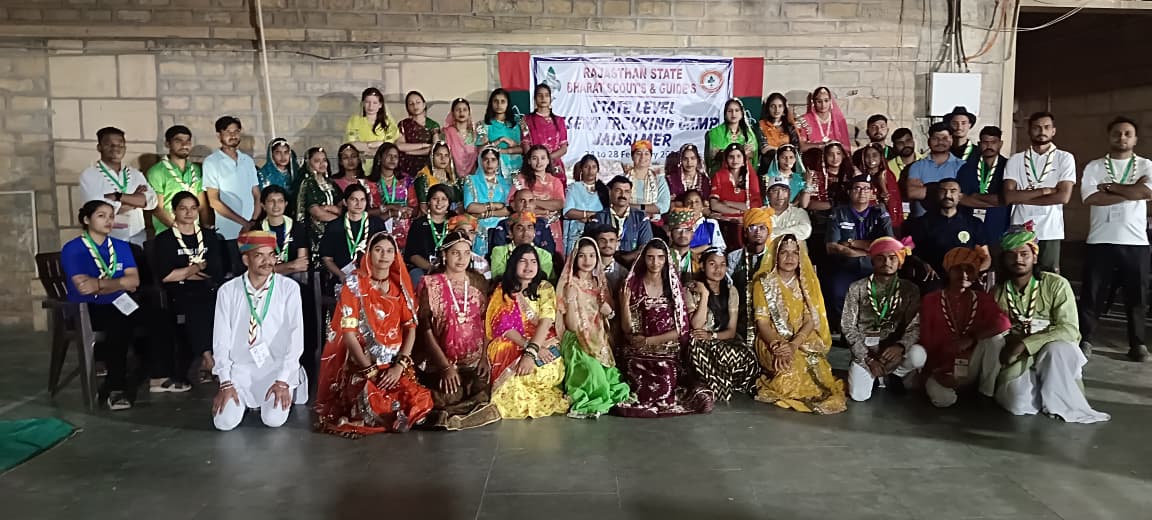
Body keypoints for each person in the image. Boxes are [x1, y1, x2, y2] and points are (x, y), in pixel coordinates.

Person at [314, 232, 434, 436]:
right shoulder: (354, 287)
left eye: (389, 251)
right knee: (372, 399)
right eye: (378, 250)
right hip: (363, 366)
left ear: (395, 256)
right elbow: (349, 335)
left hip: (394, 365)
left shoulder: (400, 288)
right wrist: (370, 371)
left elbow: (410, 328)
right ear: (368, 254)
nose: (384, 256)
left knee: (422, 399)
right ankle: (394, 416)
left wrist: (399, 366)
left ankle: (396, 415)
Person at [992, 225, 1110, 423]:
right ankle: (1044, 392)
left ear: (1035, 257)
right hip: (1021, 359)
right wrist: (1013, 342)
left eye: (1024, 254)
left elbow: (1069, 329)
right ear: (1004, 260)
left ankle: (1059, 399)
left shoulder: (1056, 284)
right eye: (1011, 255)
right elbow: (999, 329)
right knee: (1017, 405)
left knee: (1056, 349)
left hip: (1055, 356)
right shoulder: (999, 292)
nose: (1018, 259)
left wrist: (1026, 343)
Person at [211, 231, 308, 431]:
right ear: (246, 260)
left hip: (277, 368)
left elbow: (296, 336)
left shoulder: (288, 288)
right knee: (224, 422)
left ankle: (295, 380)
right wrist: (225, 382)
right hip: (240, 370)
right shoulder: (228, 291)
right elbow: (220, 340)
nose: (268, 261)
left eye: (271, 255)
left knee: (273, 420)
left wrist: (283, 380)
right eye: (259, 256)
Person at [1078, 116, 1152, 361]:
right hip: (1100, 240)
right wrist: (1132, 191)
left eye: (1127, 134)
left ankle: (1137, 344)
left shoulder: (1146, 165)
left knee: (1137, 297)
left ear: (1135, 139)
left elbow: (1147, 192)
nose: (1122, 138)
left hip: (1136, 242)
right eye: (1117, 133)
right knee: (1093, 294)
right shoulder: (1095, 166)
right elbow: (1091, 198)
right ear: (1109, 137)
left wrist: (1110, 187)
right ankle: (1086, 339)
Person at [615, 239, 715, 417]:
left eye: (660, 257)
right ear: (643, 259)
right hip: (638, 350)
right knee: (639, 382)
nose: (655, 262)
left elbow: (681, 329)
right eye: (650, 257)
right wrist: (623, 303)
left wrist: (649, 341)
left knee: (664, 383)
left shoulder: (673, 287)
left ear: (666, 259)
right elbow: (628, 328)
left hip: (667, 350)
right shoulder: (633, 285)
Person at [751, 234, 846, 414]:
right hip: (771, 340)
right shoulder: (763, 283)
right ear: (775, 255)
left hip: (802, 340)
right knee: (787, 374)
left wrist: (794, 345)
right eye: (784, 252)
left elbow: (810, 320)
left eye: (795, 253)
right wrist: (778, 346)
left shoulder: (806, 282)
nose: (790, 257)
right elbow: (762, 323)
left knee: (820, 373)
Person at [416, 231, 502, 430]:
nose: (462, 259)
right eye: (455, 253)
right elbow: (426, 329)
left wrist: (484, 358)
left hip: (473, 361)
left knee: (483, 391)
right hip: (441, 363)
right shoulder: (430, 284)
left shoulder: (478, 281)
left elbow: (486, 321)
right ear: (444, 255)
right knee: (448, 397)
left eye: (466, 253)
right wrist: (445, 367)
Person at [61, 201, 143, 410]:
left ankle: (160, 377)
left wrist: (99, 284)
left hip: (119, 302)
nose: (108, 220)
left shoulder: (120, 246)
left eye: (111, 216)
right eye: (101, 216)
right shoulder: (74, 249)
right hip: (87, 308)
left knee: (158, 318)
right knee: (118, 323)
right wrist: (118, 284)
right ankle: (116, 388)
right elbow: (84, 287)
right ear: (86, 220)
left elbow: (134, 281)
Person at [917, 247, 1011, 407]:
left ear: (976, 273)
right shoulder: (931, 300)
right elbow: (926, 341)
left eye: (969, 269)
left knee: (996, 340)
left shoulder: (982, 299)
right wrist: (938, 372)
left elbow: (1004, 323)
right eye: (958, 269)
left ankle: (986, 393)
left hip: (970, 363)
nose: (964, 274)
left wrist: (972, 339)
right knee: (944, 400)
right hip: (941, 367)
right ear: (948, 271)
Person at [485, 245, 571, 418]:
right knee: (513, 379)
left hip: (543, 341)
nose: (528, 266)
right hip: (515, 342)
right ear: (513, 264)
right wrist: (528, 348)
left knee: (545, 373)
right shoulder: (502, 290)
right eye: (523, 261)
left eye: (533, 262)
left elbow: (546, 321)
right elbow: (503, 326)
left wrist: (532, 353)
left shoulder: (544, 287)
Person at [152, 191, 225, 391]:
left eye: (193, 208)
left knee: (218, 302)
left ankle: (214, 358)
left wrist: (185, 272)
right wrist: (197, 268)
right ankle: (209, 359)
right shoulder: (165, 239)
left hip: (207, 286)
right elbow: (166, 276)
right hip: (178, 291)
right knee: (196, 303)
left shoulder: (209, 237)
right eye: (183, 208)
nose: (189, 213)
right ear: (174, 211)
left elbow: (216, 271)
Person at [840, 236, 925, 401]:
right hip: (866, 351)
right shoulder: (857, 288)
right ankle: (874, 375)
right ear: (872, 261)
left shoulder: (910, 290)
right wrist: (867, 358)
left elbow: (915, 326)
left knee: (918, 355)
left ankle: (896, 374)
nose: (887, 262)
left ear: (900, 262)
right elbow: (848, 326)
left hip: (893, 352)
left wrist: (900, 347)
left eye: (892, 258)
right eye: (880, 257)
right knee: (859, 395)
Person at [557, 237, 632, 418]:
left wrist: (609, 312)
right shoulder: (569, 285)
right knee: (594, 376)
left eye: (592, 255)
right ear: (575, 258)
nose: (587, 260)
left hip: (599, 338)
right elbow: (572, 326)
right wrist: (571, 299)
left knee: (612, 381)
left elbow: (611, 317)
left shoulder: (600, 284)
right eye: (582, 256)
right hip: (577, 341)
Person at [1003, 112, 1076, 273]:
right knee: (1018, 272)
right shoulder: (1016, 159)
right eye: (1036, 127)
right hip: (1020, 227)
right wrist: (1044, 191)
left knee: (1048, 276)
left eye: (1046, 127)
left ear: (1053, 131)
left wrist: (1022, 197)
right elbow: (1008, 196)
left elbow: (1063, 197)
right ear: (1029, 131)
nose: (1042, 131)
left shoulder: (1064, 158)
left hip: (1050, 230)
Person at [687, 248, 758, 402]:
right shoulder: (692, 289)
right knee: (695, 344)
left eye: (722, 264)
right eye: (712, 264)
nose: (718, 269)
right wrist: (705, 295)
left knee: (748, 356)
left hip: (723, 342)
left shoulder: (731, 291)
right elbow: (696, 325)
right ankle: (718, 385)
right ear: (702, 266)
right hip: (702, 345)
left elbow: (731, 331)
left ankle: (718, 381)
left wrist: (712, 335)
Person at [825, 174, 894, 325]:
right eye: (857, 188)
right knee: (837, 293)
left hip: (874, 267)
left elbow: (889, 245)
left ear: (872, 193)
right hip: (845, 266)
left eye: (866, 188)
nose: (862, 192)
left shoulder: (879, 212)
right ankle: (846, 329)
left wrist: (850, 243)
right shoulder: (839, 212)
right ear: (849, 192)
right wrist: (866, 250)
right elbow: (831, 247)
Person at [79, 126, 158, 246]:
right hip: (107, 238)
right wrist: (135, 200)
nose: (115, 148)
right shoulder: (90, 175)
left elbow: (152, 201)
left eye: (120, 145)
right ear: (99, 147)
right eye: (109, 144)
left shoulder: (135, 174)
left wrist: (118, 197)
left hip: (138, 236)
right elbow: (98, 211)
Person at [203, 116, 260, 274]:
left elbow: (256, 194)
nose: (233, 135)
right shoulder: (211, 162)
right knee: (234, 275)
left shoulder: (247, 160)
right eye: (228, 131)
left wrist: (252, 221)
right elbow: (214, 201)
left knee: (253, 272)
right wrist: (243, 222)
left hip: (251, 230)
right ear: (219, 135)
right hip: (228, 232)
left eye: (236, 131)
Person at [907, 178, 988, 280]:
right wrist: (924, 265)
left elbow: (986, 257)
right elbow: (911, 253)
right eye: (943, 191)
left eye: (953, 191)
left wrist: (973, 273)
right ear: (937, 195)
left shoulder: (973, 223)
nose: (947, 195)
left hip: (965, 278)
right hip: (935, 278)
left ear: (959, 196)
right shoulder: (923, 223)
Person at [320, 183, 387, 285]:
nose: (358, 204)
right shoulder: (334, 226)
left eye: (362, 200)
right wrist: (341, 275)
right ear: (345, 202)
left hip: (372, 277)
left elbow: (384, 253)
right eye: (354, 199)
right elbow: (327, 258)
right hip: (343, 278)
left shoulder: (377, 224)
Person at [957, 126, 1012, 247]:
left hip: (999, 225)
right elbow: (961, 198)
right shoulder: (967, 167)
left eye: (993, 142)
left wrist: (975, 196)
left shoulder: (1008, 166)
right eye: (985, 142)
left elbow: (1006, 199)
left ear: (1000, 144)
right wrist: (995, 201)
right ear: (979, 144)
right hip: (970, 225)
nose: (989, 146)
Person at [146, 125, 206, 235]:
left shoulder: (196, 170)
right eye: (178, 141)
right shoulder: (156, 171)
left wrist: (206, 229)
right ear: (167, 144)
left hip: (194, 233)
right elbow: (157, 208)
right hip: (167, 232)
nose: (184, 145)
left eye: (188, 141)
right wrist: (178, 230)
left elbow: (202, 205)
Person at [727, 208, 772, 349]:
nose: (758, 232)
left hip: (768, 314)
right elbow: (727, 285)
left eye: (762, 228)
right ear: (746, 233)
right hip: (739, 313)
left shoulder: (774, 258)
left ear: (768, 232)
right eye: (752, 227)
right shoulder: (734, 257)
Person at [295, 146, 343, 268]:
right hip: (316, 233)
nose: (322, 164)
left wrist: (331, 208)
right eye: (317, 161)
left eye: (324, 160)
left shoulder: (331, 183)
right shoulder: (308, 183)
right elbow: (317, 212)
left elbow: (342, 206)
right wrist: (340, 221)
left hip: (334, 231)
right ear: (308, 163)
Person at [512, 145, 566, 251]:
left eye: (542, 158)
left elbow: (559, 204)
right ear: (528, 161)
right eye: (534, 158)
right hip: (527, 227)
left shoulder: (555, 181)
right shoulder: (521, 180)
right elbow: (514, 205)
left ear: (548, 160)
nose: (539, 162)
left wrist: (533, 202)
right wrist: (545, 210)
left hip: (552, 226)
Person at [907, 122, 965, 218]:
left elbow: (964, 195)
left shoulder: (962, 165)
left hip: (953, 218)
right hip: (924, 219)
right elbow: (912, 192)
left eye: (944, 138)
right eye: (935, 138)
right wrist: (948, 191)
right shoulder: (917, 166)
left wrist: (927, 189)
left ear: (951, 140)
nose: (940, 142)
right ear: (929, 141)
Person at [710, 143, 763, 248]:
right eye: (731, 157)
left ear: (744, 160)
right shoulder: (719, 176)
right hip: (724, 223)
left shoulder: (751, 177)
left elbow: (754, 206)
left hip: (747, 222)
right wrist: (739, 212)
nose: (735, 160)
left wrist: (727, 203)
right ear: (726, 159)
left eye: (738, 156)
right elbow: (714, 205)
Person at [593, 175, 653, 267]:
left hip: (633, 266)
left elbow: (646, 247)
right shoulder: (600, 217)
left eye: (627, 191)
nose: (622, 195)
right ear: (610, 192)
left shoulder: (641, 217)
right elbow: (593, 246)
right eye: (618, 190)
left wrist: (625, 258)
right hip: (603, 265)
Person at [462, 146, 511, 256]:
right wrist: (495, 205)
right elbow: (470, 207)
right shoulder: (471, 180)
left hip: (500, 228)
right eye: (486, 159)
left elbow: (508, 210)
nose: (489, 163)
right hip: (479, 229)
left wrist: (486, 213)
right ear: (480, 161)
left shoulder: (505, 183)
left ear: (498, 162)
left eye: (493, 160)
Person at [364, 143, 415, 248]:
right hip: (377, 232)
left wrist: (408, 212)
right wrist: (390, 208)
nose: (393, 159)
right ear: (379, 158)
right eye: (389, 155)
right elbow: (364, 212)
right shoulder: (368, 183)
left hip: (404, 233)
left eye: (396, 156)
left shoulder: (406, 181)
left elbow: (415, 207)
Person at [404, 184, 455, 288]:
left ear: (449, 202)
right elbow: (412, 255)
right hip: (423, 269)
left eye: (444, 199)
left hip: (451, 268)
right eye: (435, 199)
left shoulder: (455, 222)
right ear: (428, 202)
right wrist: (431, 267)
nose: (439, 202)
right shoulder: (418, 224)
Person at [255, 185, 308, 276]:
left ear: (285, 204)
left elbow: (302, 265)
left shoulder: (297, 227)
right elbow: (258, 269)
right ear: (263, 205)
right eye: (271, 201)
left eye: (280, 201)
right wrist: (291, 265)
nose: (276, 205)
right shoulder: (256, 231)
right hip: (265, 280)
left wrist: (274, 269)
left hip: (295, 278)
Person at [521, 83, 569, 182]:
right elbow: (525, 144)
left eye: (546, 95)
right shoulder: (525, 120)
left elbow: (564, 148)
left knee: (557, 189)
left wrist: (546, 159)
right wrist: (537, 160)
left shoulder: (559, 121)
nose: (543, 98)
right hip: (534, 166)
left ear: (550, 99)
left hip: (554, 166)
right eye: (540, 95)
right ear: (535, 99)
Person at [489, 211, 556, 280]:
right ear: (510, 233)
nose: (525, 231)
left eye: (530, 227)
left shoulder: (544, 255)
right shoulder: (499, 252)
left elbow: (545, 279)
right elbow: (498, 277)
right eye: (520, 228)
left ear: (534, 232)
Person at [562, 154, 606, 255]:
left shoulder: (603, 190)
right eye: (586, 167)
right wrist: (590, 214)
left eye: (594, 167)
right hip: (576, 233)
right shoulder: (573, 188)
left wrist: (587, 217)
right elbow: (567, 212)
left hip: (597, 233)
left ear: (598, 170)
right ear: (581, 169)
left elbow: (606, 213)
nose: (590, 170)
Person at [491, 188, 559, 253]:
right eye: (522, 201)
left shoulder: (542, 224)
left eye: (530, 201)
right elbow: (498, 252)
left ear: (534, 205)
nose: (527, 205)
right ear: (513, 205)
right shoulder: (504, 225)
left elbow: (549, 251)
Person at [345, 87, 399, 167]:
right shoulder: (354, 120)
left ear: (380, 105)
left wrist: (366, 148)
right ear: (363, 103)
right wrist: (373, 144)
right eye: (367, 102)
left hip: (382, 165)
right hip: (360, 164)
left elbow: (388, 146)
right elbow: (352, 144)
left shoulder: (388, 123)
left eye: (375, 103)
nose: (371, 106)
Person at [706, 98, 763, 173]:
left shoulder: (749, 134)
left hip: (744, 174)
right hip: (721, 174)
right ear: (725, 114)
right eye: (730, 111)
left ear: (742, 113)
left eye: (737, 110)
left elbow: (753, 157)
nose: (733, 114)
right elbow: (712, 157)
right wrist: (742, 152)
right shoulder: (715, 133)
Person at [858, 143, 904, 234]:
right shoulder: (860, 176)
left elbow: (892, 202)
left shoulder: (887, 175)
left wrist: (882, 184)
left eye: (874, 155)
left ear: (881, 157)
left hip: (887, 221)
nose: (871, 159)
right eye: (867, 156)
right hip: (866, 220)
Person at [626, 139, 672, 225]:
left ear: (651, 157)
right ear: (632, 156)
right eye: (638, 153)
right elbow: (618, 203)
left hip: (653, 223)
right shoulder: (624, 178)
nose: (642, 157)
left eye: (646, 153)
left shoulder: (658, 179)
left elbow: (664, 206)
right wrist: (649, 208)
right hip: (627, 221)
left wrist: (636, 207)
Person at [395, 90, 439, 176]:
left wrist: (410, 151)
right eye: (411, 104)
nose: (415, 106)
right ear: (407, 107)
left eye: (418, 102)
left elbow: (435, 149)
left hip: (426, 166)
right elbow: (400, 146)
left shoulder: (433, 125)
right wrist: (423, 145)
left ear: (424, 104)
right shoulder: (403, 124)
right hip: (404, 166)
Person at [483, 88, 524, 176]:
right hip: (493, 168)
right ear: (491, 103)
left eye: (502, 101)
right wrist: (500, 140)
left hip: (514, 168)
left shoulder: (515, 124)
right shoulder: (485, 125)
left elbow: (522, 148)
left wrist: (503, 148)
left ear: (508, 104)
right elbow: (484, 149)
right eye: (496, 101)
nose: (499, 105)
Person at [799, 86, 851, 152]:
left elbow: (846, 146)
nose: (823, 105)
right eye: (819, 101)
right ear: (813, 102)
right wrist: (823, 145)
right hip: (813, 156)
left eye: (826, 100)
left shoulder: (839, 120)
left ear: (830, 101)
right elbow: (801, 147)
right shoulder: (804, 120)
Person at [412, 141, 461, 211]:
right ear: (432, 157)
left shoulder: (453, 178)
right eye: (438, 155)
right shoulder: (423, 177)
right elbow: (423, 208)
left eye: (446, 155)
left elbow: (460, 205)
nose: (443, 158)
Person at [806, 141, 853, 212]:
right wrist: (835, 204)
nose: (835, 157)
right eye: (831, 154)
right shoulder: (817, 175)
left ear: (843, 155)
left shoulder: (850, 175)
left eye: (838, 153)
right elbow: (810, 204)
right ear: (824, 156)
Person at [444, 98, 484, 179]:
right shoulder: (447, 133)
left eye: (464, 110)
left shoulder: (475, 133)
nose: (461, 112)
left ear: (469, 113)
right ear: (452, 113)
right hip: (452, 176)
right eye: (458, 110)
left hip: (473, 176)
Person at [757, 92, 801, 160]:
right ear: (767, 108)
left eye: (780, 106)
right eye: (773, 106)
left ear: (784, 108)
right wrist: (785, 150)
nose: (777, 109)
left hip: (788, 161)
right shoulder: (760, 125)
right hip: (768, 161)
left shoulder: (790, 127)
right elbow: (764, 148)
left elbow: (796, 148)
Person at [763, 143, 809, 207]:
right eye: (784, 157)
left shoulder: (801, 178)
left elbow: (804, 203)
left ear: (795, 159)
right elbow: (766, 201)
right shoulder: (768, 177)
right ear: (777, 159)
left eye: (791, 157)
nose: (788, 161)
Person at [447, 215, 492, 280]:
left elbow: (487, 285)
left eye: (471, 232)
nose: (467, 235)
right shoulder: (442, 259)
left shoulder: (482, 263)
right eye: (461, 231)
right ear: (451, 233)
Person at [666, 208, 700, 277]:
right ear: (670, 233)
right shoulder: (663, 258)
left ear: (693, 234)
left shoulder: (698, 260)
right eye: (678, 230)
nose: (683, 234)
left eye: (687, 230)